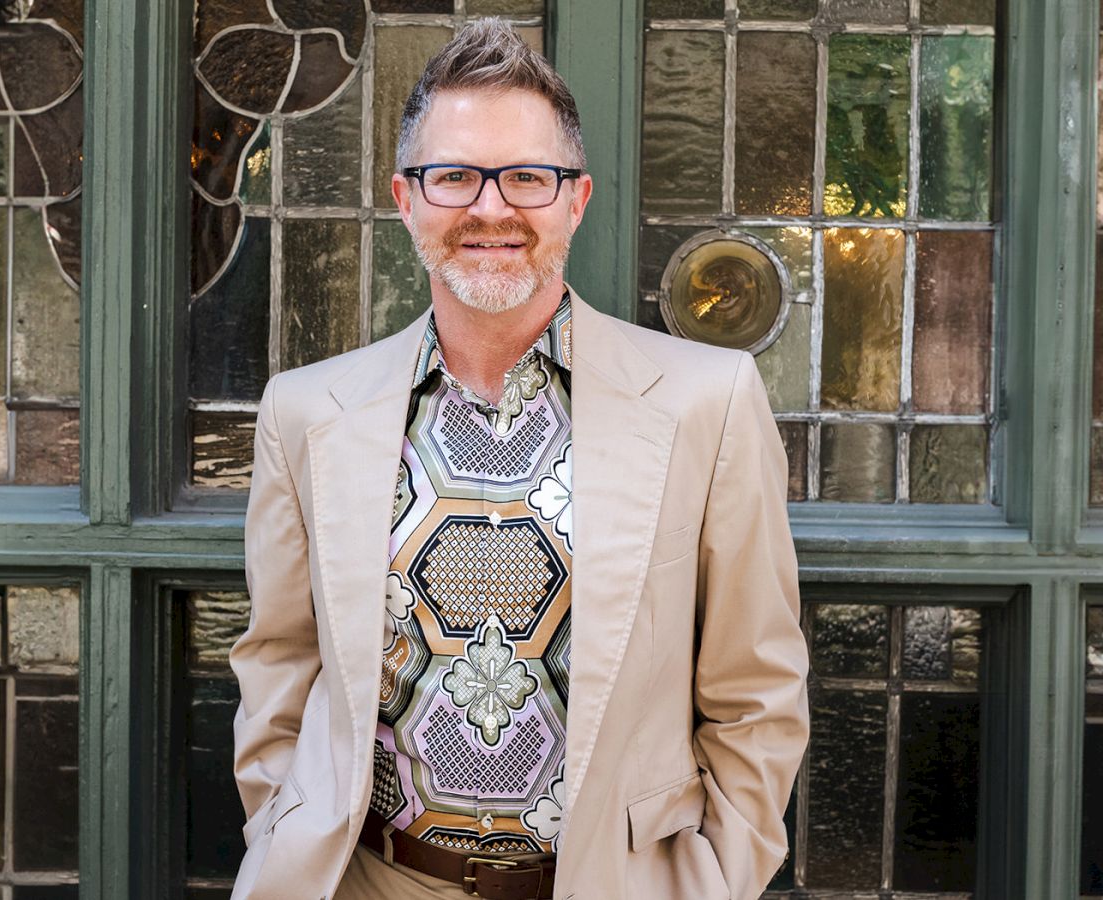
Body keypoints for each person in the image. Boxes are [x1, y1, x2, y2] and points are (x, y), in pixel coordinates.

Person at [229, 19, 808, 900]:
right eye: (454, 175)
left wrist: (717, 878)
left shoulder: (706, 402)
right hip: (369, 882)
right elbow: (279, 664)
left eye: (527, 178)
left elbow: (754, 689)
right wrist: (281, 823)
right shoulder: (308, 411)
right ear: (405, 198)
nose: (490, 208)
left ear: (574, 201)